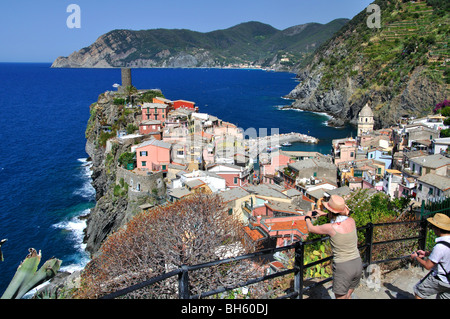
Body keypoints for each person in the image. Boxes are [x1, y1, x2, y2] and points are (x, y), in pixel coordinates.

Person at [305, 195, 362, 299]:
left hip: (343, 267)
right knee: (348, 296)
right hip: (357, 263)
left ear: (331, 211)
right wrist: (326, 214)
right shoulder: (351, 221)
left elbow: (311, 228)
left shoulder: (331, 228)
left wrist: (307, 217)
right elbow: (341, 217)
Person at [411, 213, 450, 299]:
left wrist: (415, 257)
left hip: (440, 279)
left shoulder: (439, 247)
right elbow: (445, 252)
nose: (432, 229)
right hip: (449, 280)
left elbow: (427, 266)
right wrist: (426, 253)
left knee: (419, 292)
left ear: (438, 229)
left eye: (433, 226)